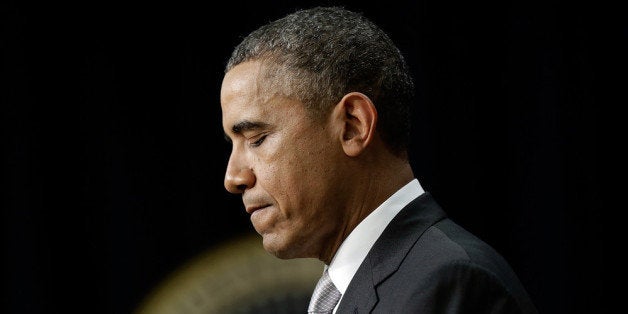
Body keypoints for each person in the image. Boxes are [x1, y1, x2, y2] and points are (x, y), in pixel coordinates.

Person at [220, 6, 538, 314]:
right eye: (232, 145)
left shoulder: (447, 282)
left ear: (352, 126)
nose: (233, 178)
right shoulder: (369, 284)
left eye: (257, 139)